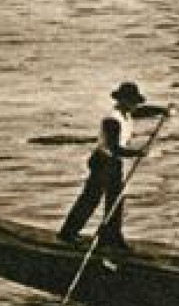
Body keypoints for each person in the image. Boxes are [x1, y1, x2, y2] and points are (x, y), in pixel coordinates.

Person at [57, 82, 171, 250]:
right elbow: (114, 148)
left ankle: (110, 236)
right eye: (131, 102)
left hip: (114, 163)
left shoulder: (128, 114)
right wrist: (137, 153)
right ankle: (68, 233)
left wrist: (161, 110)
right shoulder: (112, 120)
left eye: (135, 102)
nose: (134, 106)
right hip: (102, 162)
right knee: (91, 198)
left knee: (116, 200)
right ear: (122, 101)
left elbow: (142, 112)